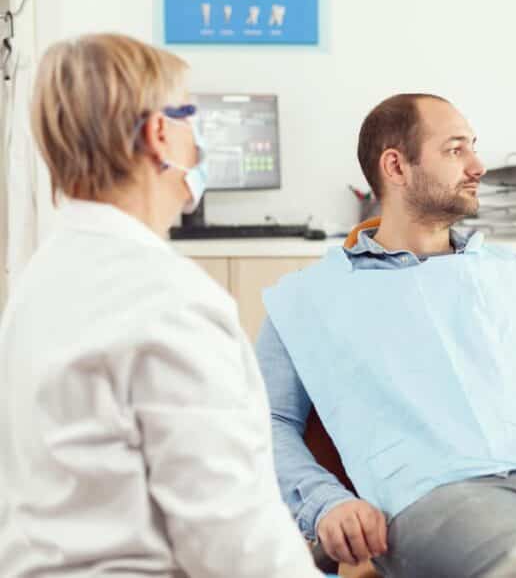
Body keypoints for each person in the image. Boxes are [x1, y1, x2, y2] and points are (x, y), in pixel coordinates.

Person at [255, 93, 516, 578]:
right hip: (438, 492)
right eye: (456, 150)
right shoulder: (305, 297)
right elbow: (267, 423)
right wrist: (326, 504)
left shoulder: (508, 270)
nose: (477, 166)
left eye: (473, 147)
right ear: (396, 166)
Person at [0, 33, 321, 577]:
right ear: (158, 135)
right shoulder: (168, 299)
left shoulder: (40, 280)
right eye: (190, 117)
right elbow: (234, 545)